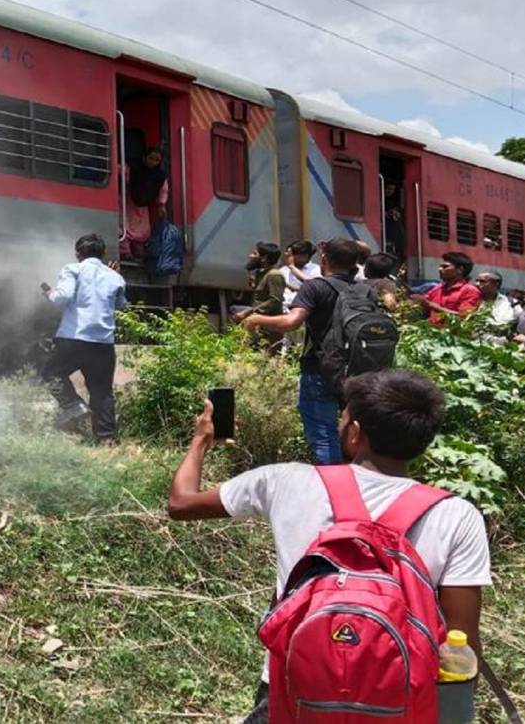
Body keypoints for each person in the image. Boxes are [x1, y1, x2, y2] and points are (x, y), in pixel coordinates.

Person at [166, 370, 491, 723]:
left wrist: (201, 440)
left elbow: (181, 503)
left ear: (354, 433)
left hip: (293, 688)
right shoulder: (456, 515)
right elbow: (461, 641)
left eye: (344, 417)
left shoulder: (286, 481)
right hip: (398, 699)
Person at [242, 238, 361, 464]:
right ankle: (354, 477)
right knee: (355, 431)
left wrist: (256, 319)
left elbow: (291, 322)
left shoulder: (315, 287)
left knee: (323, 434)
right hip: (358, 369)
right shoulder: (364, 290)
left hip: (321, 368)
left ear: (324, 258)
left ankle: (332, 481)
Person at [41, 234, 127, 442]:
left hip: (74, 338)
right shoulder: (115, 277)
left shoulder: (73, 269)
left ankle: (73, 405)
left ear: (77, 254)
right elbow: (121, 305)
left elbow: (62, 297)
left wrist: (49, 293)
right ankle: (106, 439)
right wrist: (114, 277)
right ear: (103, 254)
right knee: (102, 391)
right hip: (103, 343)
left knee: (51, 373)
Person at [119, 148, 169, 261]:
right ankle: (125, 252)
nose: (153, 162)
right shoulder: (132, 168)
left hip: (142, 206)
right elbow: (117, 170)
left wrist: (162, 204)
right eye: (151, 158)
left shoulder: (159, 176)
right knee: (124, 227)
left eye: (156, 160)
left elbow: (163, 190)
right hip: (126, 202)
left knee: (142, 231)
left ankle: (139, 252)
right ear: (144, 158)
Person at [414, 251, 481, 326]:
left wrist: (432, 305)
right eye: (440, 266)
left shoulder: (470, 291)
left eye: (445, 267)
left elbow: (464, 318)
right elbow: (423, 303)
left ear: (460, 269)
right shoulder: (437, 289)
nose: (440, 269)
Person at [279, 240, 321, 310]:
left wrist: (292, 267)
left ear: (305, 255)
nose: (289, 257)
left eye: (292, 254)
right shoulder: (283, 270)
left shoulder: (316, 270)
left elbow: (314, 287)